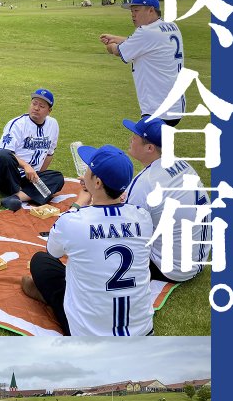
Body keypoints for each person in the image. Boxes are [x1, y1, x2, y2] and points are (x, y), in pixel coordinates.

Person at [21, 144, 154, 336]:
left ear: (98, 182)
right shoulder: (143, 217)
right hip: (142, 332)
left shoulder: (73, 221)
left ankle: (50, 297)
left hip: (91, 336)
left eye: (89, 170)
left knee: (41, 261)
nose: (84, 173)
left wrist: (81, 201)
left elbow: (54, 251)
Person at [118, 116, 210, 283]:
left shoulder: (147, 181)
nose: (131, 139)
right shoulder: (182, 164)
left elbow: (124, 229)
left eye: (136, 136)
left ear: (150, 148)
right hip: (198, 259)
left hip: (171, 269)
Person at [99, 0, 185, 125]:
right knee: (154, 145)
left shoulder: (145, 32)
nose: (133, 15)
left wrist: (110, 45)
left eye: (137, 10)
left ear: (151, 10)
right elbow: (143, 44)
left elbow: (117, 51)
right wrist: (115, 38)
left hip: (157, 109)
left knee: (141, 144)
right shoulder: (171, 26)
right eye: (131, 11)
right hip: (176, 106)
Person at [0, 90, 63, 211]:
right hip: (3, 173)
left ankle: (15, 197)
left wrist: (39, 176)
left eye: (41, 106)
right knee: (3, 155)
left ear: (49, 111)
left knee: (58, 178)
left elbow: (49, 154)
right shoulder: (17, 124)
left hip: (27, 178)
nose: (36, 108)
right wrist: (26, 166)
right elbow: (3, 151)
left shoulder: (53, 125)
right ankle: (25, 193)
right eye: (34, 103)